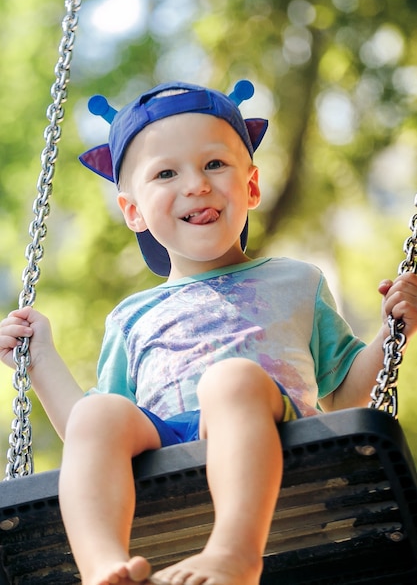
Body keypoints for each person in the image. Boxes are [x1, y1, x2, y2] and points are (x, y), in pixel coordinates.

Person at [1, 79, 417, 585]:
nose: (195, 184)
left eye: (214, 164)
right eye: (166, 173)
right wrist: (40, 360)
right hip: (169, 458)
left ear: (253, 185)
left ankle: (235, 553)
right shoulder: (131, 317)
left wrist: (393, 330)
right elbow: (90, 436)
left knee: (230, 382)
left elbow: (351, 397)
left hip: (284, 446)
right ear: (132, 210)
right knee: (98, 411)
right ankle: (104, 568)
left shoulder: (296, 280)